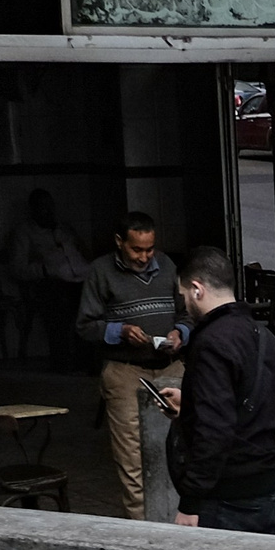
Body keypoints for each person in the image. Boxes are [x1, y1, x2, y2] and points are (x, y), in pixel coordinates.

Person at [156, 247, 275, 533]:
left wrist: (190, 503)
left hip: (233, 496)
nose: (183, 304)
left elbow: (214, 429)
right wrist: (193, 403)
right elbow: (259, 402)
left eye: (183, 296)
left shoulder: (211, 343)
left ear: (197, 289)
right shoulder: (265, 336)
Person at [76, 212, 188, 519]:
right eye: (137, 249)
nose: (144, 256)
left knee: (180, 444)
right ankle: (143, 530)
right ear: (119, 242)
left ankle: (182, 521)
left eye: (149, 249)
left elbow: (186, 313)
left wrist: (181, 333)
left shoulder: (167, 266)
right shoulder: (100, 271)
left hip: (170, 366)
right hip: (125, 371)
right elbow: (85, 326)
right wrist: (120, 331)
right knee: (132, 456)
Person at [6, 189, 88, 367]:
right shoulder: (24, 232)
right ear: (33, 209)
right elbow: (17, 268)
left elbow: (81, 250)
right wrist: (45, 270)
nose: (47, 211)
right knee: (59, 310)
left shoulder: (63, 228)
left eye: (49, 207)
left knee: (89, 310)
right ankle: (63, 361)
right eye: (42, 207)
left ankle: (86, 361)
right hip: (48, 282)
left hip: (80, 277)